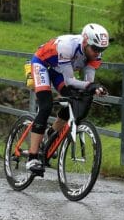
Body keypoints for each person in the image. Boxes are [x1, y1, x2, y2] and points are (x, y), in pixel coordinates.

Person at [26, 23, 110, 176]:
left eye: (101, 50)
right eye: (95, 49)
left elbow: (88, 83)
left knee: (76, 98)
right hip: (42, 65)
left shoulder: (95, 54)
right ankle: (32, 157)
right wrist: (91, 86)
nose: (97, 53)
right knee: (46, 106)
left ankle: (51, 134)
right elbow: (70, 81)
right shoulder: (67, 46)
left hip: (59, 71)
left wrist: (95, 89)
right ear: (85, 42)